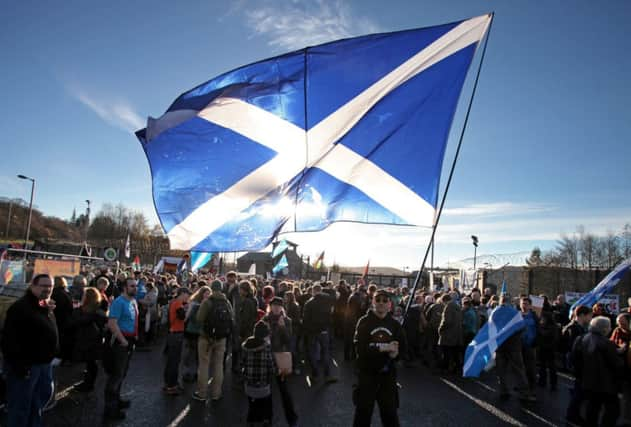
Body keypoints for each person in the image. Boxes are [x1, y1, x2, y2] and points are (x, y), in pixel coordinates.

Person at [1, 274, 58, 427]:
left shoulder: (42, 305)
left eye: (50, 286)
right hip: (27, 366)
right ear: (32, 286)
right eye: (43, 285)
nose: (47, 289)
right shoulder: (21, 308)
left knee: (38, 402)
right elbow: (9, 341)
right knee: (20, 406)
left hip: (43, 364)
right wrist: (19, 366)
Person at [353, 289, 406, 427]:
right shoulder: (364, 322)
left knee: (390, 415)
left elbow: (404, 349)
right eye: (378, 300)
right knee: (363, 415)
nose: (381, 303)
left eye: (385, 300)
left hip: (387, 376)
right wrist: (385, 347)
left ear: (390, 304)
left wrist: (396, 354)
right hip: (367, 375)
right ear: (373, 302)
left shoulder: (395, 325)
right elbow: (360, 349)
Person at [571, 316, 623, 427]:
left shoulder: (580, 339)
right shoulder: (607, 343)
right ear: (604, 329)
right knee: (613, 410)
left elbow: (574, 359)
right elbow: (616, 364)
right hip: (606, 384)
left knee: (592, 409)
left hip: (587, 381)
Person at [103, 277, 138, 420]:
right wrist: (123, 341)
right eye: (132, 286)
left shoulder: (133, 301)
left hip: (129, 341)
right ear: (125, 287)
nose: (135, 288)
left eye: (135, 286)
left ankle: (116, 400)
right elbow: (112, 323)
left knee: (122, 374)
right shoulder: (119, 302)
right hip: (120, 342)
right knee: (116, 376)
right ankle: (110, 409)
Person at [193, 280, 233, 402]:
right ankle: (216, 393)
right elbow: (232, 319)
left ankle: (202, 393)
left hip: (206, 337)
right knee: (218, 365)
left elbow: (199, 319)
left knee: (204, 365)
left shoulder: (207, 302)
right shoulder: (227, 302)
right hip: (221, 338)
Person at [263, 297, 298, 427]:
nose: (276, 308)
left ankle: (292, 418)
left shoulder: (287, 321)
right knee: (267, 390)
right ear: (270, 306)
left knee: (284, 390)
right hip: (267, 357)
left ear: (282, 307)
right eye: (274, 305)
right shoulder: (265, 319)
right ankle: (267, 418)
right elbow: (259, 335)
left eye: (279, 305)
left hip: (280, 358)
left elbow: (289, 341)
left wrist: (283, 327)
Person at [494, 295, 534, 402]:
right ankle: (524, 393)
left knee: (501, 370)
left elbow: (491, 329)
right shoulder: (515, 313)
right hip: (514, 346)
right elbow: (522, 327)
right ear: (510, 302)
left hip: (500, 346)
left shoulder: (495, 313)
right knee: (519, 370)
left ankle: (504, 390)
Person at [69, 287, 107, 392]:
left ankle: (88, 385)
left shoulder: (90, 311)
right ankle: (88, 383)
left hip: (88, 340)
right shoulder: (98, 309)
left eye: (84, 295)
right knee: (90, 364)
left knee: (91, 364)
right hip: (93, 340)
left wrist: (77, 310)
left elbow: (78, 321)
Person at [242, 321, 275, 426]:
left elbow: (242, 363)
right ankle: (266, 420)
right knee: (267, 402)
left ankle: (251, 420)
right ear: (266, 335)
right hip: (263, 385)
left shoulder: (246, 346)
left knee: (252, 404)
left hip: (249, 385)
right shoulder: (266, 348)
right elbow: (271, 367)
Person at [564, 305, 593, 425]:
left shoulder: (580, 327)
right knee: (579, 390)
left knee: (579, 390)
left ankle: (573, 414)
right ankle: (572, 415)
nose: (591, 318)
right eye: (589, 315)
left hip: (578, 363)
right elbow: (574, 348)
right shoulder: (574, 329)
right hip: (578, 363)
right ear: (582, 315)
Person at [303, 283, 337, 382]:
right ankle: (327, 375)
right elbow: (334, 296)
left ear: (313, 291)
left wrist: (307, 331)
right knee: (325, 352)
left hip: (312, 331)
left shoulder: (309, 303)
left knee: (313, 353)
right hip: (324, 330)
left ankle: (315, 374)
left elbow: (305, 319)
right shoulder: (327, 300)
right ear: (321, 290)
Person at [163, 287, 190, 395]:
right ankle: (171, 386)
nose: (187, 297)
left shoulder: (174, 302)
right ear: (182, 293)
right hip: (176, 334)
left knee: (171, 361)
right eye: (187, 295)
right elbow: (183, 317)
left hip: (172, 333)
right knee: (174, 361)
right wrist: (187, 310)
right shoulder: (178, 303)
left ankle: (168, 383)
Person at [181, 285, 211, 383]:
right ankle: (187, 372)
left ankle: (196, 373)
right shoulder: (195, 304)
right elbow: (192, 319)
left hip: (201, 333)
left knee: (198, 355)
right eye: (205, 294)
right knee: (189, 353)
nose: (207, 296)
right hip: (192, 332)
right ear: (201, 294)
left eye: (208, 294)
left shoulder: (208, 304)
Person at [610, 313, 631, 426]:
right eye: (618, 322)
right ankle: (626, 419)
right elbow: (611, 344)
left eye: (622, 323)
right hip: (622, 369)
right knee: (626, 396)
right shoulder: (617, 331)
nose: (620, 325)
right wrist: (618, 349)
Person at [438, 294, 462, 373]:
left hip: (448, 334)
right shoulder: (457, 306)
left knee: (446, 353)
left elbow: (447, 321)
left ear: (444, 300)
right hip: (457, 333)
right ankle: (457, 368)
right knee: (455, 353)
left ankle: (445, 369)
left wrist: (440, 328)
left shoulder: (448, 307)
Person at [51, 276, 74, 362]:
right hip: (66, 319)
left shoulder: (53, 293)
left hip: (57, 319)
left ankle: (57, 356)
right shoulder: (66, 293)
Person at [519, 296, 539, 395]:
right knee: (520, 367)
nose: (524, 305)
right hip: (519, 346)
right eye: (522, 303)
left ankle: (532, 388)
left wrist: (536, 342)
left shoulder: (534, 317)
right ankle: (522, 386)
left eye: (526, 304)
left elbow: (538, 330)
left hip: (531, 346)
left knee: (530, 368)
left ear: (530, 305)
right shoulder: (517, 316)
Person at [537, 310, 559, 390]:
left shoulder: (551, 327)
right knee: (545, 366)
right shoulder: (553, 326)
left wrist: (539, 328)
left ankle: (550, 383)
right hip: (547, 348)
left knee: (549, 367)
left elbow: (544, 334)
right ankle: (545, 382)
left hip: (548, 348)